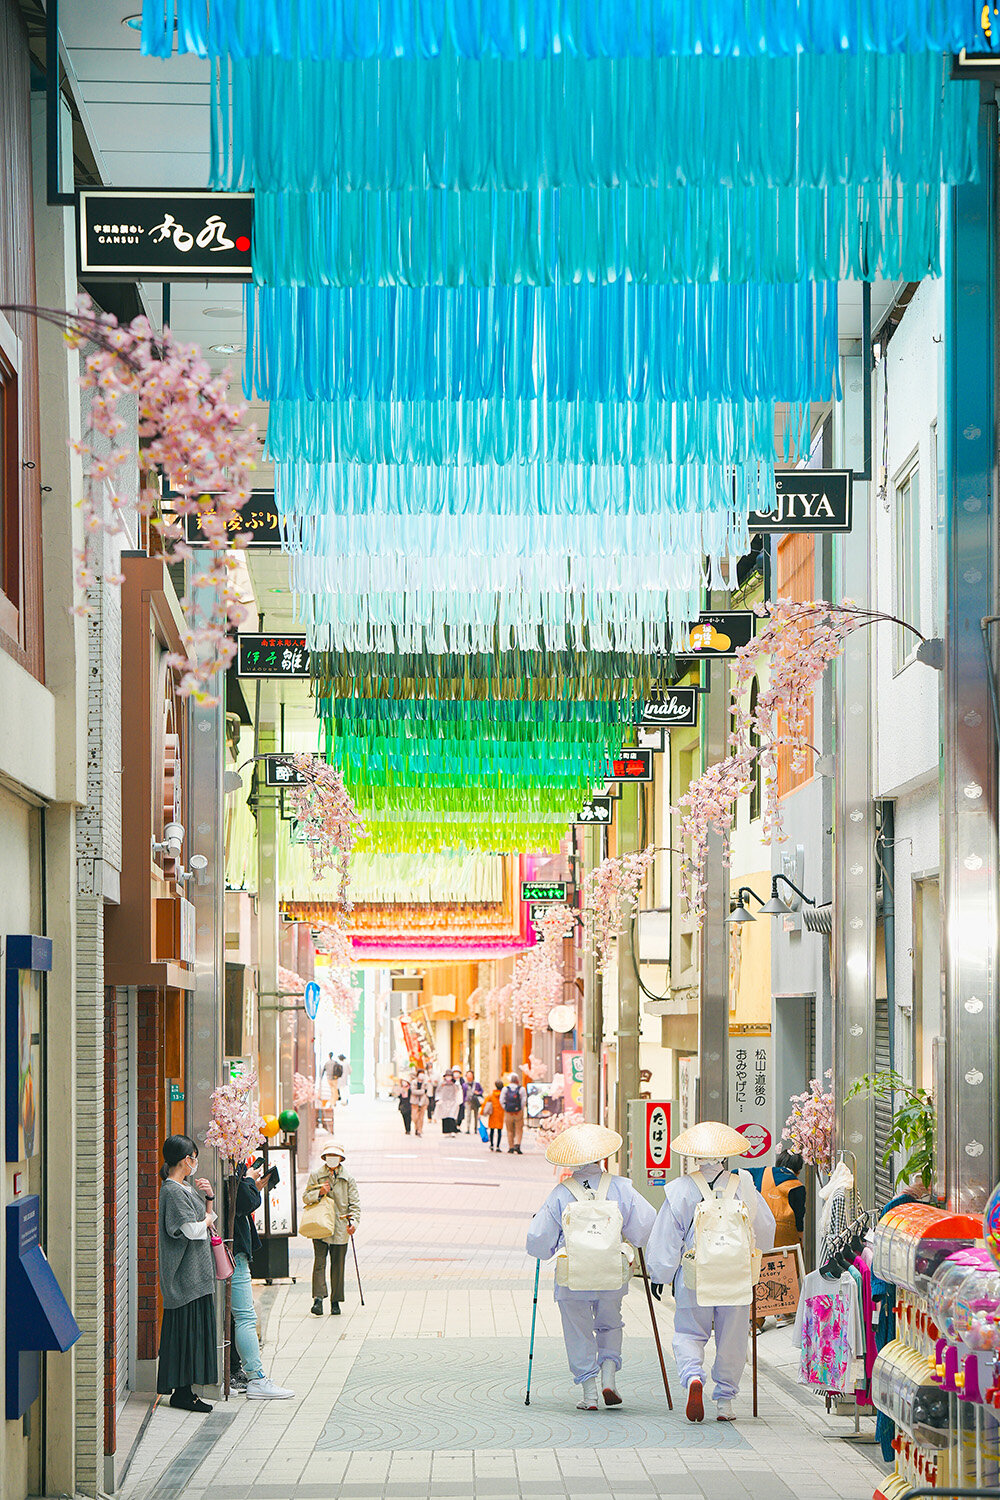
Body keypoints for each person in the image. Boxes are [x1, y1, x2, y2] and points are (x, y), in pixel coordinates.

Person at [646, 1121, 775, 1423]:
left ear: (695, 1157)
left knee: (689, 1331)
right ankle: (725, 1402)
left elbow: (666, 1238)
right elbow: (765, 1228)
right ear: (726, 1156)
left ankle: (693, 1376)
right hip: (735, 1274)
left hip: (694, 1274)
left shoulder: (680, 1189)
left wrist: (660, 1275)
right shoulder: (743, 1184)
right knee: (733, 1337)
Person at [526, 1122, 655, 1410]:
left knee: (578, 1329)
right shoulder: (622, 1187)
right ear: (602, 1157)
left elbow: (538, 1240)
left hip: (573, 1274)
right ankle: (609, 1374)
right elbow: (645, 1226)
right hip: (611, 1270)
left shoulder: (561, 1193)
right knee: (610, 1323)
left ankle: (589, 1393)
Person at [157, 1134, 218, 1411]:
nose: (196, 1163)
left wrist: (209, 1198)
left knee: (191, 1334)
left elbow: (204, 1222)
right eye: (194, 1158)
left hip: (195, 1276)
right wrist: (206, 1218)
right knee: (185, 1335)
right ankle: (182, 1394)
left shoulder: (184, 1188)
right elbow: (192, 1230)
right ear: (186, 1160)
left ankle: (187, 1392)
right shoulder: (172, 1191)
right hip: (184, 1279)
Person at [229, 1159, 294, 1399]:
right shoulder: (235, 1172)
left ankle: (243, 1374)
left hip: (231, 1251)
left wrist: (250, 1183)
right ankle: (256, 1377)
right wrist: (248, 1180)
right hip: (233, 1253)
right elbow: (244, 1202)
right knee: (245, 1316)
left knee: (238, 1317)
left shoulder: (229, 1167)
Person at [303, 1143, 361, 1316]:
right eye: (329, 1155)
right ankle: (318, 1299)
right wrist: (319, 1192)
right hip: (320, 1225)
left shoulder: (348, 1178)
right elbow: (306, 1197)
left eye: (335, 1156)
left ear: (341, 1159)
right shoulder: (316, 1175)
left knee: (338, 1265)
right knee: (319, 1262)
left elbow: (355, 1204)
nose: (332, 1159)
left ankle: (335, 1301)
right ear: (324, 1158)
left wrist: (354, 1223)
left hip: (341, 1227)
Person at [748, 1147, 806, 1250]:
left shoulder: (762, 1172)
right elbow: (799, 1220)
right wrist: (800, 1243)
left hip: (760, 1231)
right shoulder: (798, 1186)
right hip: (785, 1237)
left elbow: (736, 1172)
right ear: (798, 1170)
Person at [502, 1072, 527, 1153]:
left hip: (508, 1112)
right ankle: (517, 1144)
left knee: (509, 1130)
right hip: (518, 1112)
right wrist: (520, 1109)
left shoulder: (505, 1089)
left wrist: (506, 1108)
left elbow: (502, 1100)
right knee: (519, 1129)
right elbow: (524, 1100)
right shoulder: (521, 1089)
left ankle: (511, 1147)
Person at [480, 1080, 505, 1151]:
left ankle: (491, 1145)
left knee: (492, 1130)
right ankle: (498, 1146)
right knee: (499, 1131)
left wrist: (481, 1112)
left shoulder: (491, 1095)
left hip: (493, 1114)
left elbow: (485, 1104)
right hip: (500, 1115)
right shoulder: (503, 1095)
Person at [410, 1070, 430, 1137]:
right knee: (414, 1116)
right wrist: (422, 1091)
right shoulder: (413, 1082)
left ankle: (419, 1130)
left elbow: (426, 1092)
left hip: (423, 1101)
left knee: (421, 1117)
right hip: (414, 1101)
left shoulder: (426, 1083)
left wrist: (422, 1092)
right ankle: (416, 1127)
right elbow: (413, 1091)